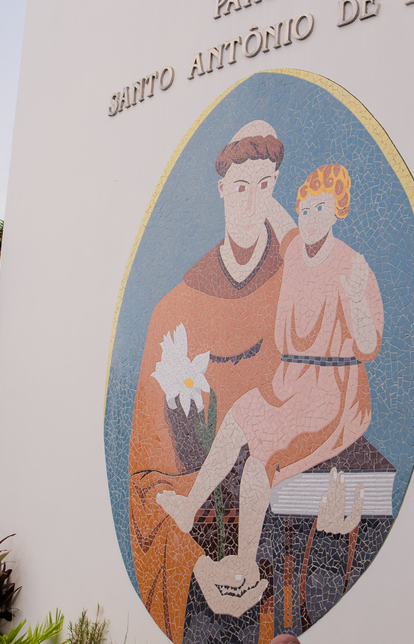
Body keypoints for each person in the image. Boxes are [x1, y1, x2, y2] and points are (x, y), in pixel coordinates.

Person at [155, 163, 383, 618]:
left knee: (263, 463)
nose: (310, 214)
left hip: (330, 392)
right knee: (239, 413)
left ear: (337, 210)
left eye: (320, 206)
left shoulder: (352, 266)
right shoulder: (296, 247)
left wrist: (356, 300)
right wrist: (251, 185)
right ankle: (190, 504)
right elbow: (273, 213)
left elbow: (370, 345)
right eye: (305, 207)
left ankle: (242, 560)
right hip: (290, 381)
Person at [127, 120, 297, 644]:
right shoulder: (173, 312)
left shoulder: (300, 299)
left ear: (277, 192)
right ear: (222, 190)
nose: (250, 202)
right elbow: (146, 480)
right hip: (200, 569)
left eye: (264, 186)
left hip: (276, 556)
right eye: (239, 187)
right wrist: (199, 567)